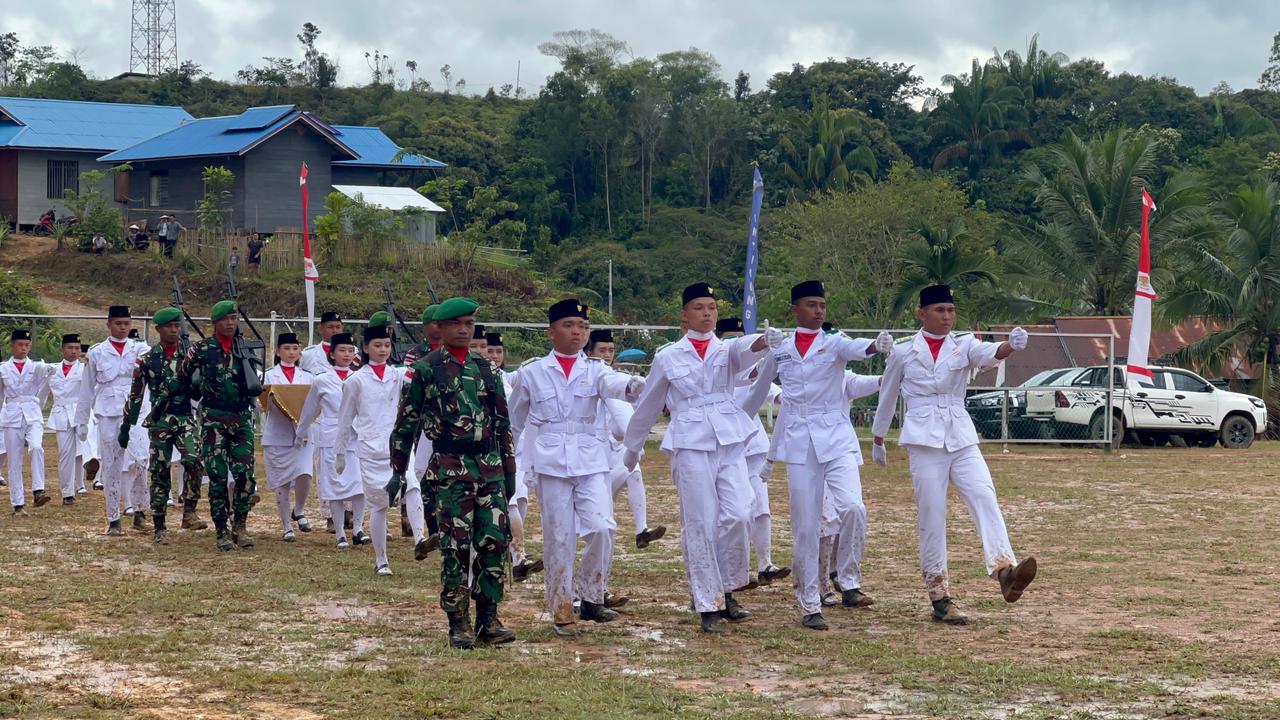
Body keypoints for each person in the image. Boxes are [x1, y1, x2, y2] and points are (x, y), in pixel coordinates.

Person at [871, 284, 1038, 625]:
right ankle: (939, 595)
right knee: (932, 515)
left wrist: (1010, 345)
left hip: (960, 435)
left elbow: (989, 353)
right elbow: (888, 395)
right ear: (922, 313)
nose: (947, 316)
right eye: (939, 310)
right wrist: (878, 438)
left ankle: (1005, 570)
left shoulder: (963, 344)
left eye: (950, 310)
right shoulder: (903, 352)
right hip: (923, 440)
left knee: (984, 495)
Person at [623, 283, 778, 633]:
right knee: (702, 523)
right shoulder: (668, 356)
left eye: (711, 307)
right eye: (699, 307)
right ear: (684, 314)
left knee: (740, 513)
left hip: (729, 436)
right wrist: (632, 448)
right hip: (691, 441)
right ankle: (709, 604)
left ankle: (727, 587)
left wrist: (764, 340)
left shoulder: (726, 349)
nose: (707, 313)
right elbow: (648, 404)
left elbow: (746, 349)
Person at [747, 281, 890, 630]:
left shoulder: (834, 342)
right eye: (811, 304)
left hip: (836, 436)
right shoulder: (781, 349)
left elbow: (858, 348)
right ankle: (809, 601)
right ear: (795, 309)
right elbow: (758, 387)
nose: (819, 311)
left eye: (822, 305)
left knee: (853, 508)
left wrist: (876, 345)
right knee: (806, 525)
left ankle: (848, 578)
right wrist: (760, 344)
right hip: (799, 441)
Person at [508, 299, 644, 637]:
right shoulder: (532, 372)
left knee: (602, 527)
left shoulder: (596, 369)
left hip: (590, 459)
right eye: (569, 325)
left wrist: (632, 385)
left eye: (583, 327)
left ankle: (592, 595)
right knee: (560, 537)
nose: (577, 332)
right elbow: (514, 422)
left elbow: (613, 384)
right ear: (551, 331)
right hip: (551, 462)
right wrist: (509, 461)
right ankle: (562, 608)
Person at [389, 297, 517, 650]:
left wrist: (509, 471)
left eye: (469, 323)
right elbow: (406, 424)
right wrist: (398, 470)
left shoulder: (487, 369)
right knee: (455, 547)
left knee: (494, 542)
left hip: (489, 468)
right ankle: (458, 621)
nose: (464, 330)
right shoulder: (426, 370)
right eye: (456, 324)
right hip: (450, 469)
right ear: (440, 328)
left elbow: (502, 423)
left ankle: (489, 618)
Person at [334, 321, 424, 575]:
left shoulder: (398, 375)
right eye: (377, 345)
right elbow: (344, 419)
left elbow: (420, 373)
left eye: (386, 345)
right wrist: (339, 452)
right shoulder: (355, 381)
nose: (383, 350)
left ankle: (420, 538)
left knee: (413, 487)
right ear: (365, 348)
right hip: (371, 449)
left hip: (399, 444)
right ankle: (381, 560)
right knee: (379, 505)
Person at [118, 307, 209, 543]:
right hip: (160, 420)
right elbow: (136, 396)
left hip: (184, 417)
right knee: (160, 471)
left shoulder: (189, 356)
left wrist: (196, 380)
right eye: (169, 326)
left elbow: (200, 390)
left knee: (194, 460)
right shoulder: (147, 360)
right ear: (158, 329)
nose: (174, 330)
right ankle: (159, 525)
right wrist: (126, 426)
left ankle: (189, 510)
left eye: (177, 326)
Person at [177, 300, 260, 552]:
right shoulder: (202, 349)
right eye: (225, 319)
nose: (230, 323)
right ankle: (222, 530)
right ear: (215, 322)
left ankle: (240, 526)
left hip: (241, 417)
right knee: (218, 476)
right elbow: (183, 376)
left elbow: (255, 380)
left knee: (245, 475)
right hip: (213, 418)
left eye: (234, 318)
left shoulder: (243, 348)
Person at [716, 317, 788, 588]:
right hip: (723, 447)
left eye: (740, 338)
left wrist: (786, 396)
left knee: (760, 506)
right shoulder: (716, 370)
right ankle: (738, 570)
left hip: (753, 445)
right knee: (735, 510)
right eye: (730, 338)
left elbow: (769, 387)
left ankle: (765, 564)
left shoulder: (752, 368)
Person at [587, 328, 665, 551]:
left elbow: (627, 412)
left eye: (610, 350)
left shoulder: (616, 378)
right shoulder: (590, 378)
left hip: (615, 445)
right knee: (603, 508)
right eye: (602, 350)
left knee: (634, 473)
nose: (607, 355)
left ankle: (642, 530)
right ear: (590, 352)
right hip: (593, 450)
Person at [77, 306, 149, 535]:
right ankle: (114, 519)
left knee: (141, 460)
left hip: (136, 410)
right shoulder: (97, 352)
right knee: (112, 465)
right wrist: (81, 421)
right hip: (108, 412)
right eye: (118, 323)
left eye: (126, 323)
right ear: (108, 324)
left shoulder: (140, 349)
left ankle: (139, 510)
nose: (122, 327)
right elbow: (87, 388)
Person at [296, 333, 366, 549]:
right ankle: (339, 534)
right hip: (331, 437)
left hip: (356, 436)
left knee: (359, 484)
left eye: (350, 350)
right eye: (342, 350)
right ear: (332, 354)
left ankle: (358, 529)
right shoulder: (322, 380)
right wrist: (300, 431)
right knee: (334, 486)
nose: (347, 355)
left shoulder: (361, 377)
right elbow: (309, 409)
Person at [261, 333, 315, 542]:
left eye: (295, 348)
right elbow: (263, 403)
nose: (292, 352)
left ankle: (299, 509)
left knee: (305, 474)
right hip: (278, 433)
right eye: (287, 348)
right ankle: (286, 526)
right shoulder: (268, 376)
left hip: (303, 434)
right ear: (278, 351)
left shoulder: (308, 376)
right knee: (281, 481)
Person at [2, 329, 55, 515]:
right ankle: (18, 504)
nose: (23, 348)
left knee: (36, 447)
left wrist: (51, 368)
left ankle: (38, 490)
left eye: (27, 345)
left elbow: (51, 370)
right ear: (12, 345)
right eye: (20, 344)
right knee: (14, 460)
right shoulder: (3, 369)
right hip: (11, 415)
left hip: (32, 413)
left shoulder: (36, 366)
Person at [48, 334, 86, 505]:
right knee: (65, 454)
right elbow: (42, 393)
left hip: (81, 411)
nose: (73, 351)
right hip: (61, 413)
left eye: (77, 348)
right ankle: (67, 494)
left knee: (89, 443)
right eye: (70, 348)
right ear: (62, 350)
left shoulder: (85, 369)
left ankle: (92, 468)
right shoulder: (52, 369)